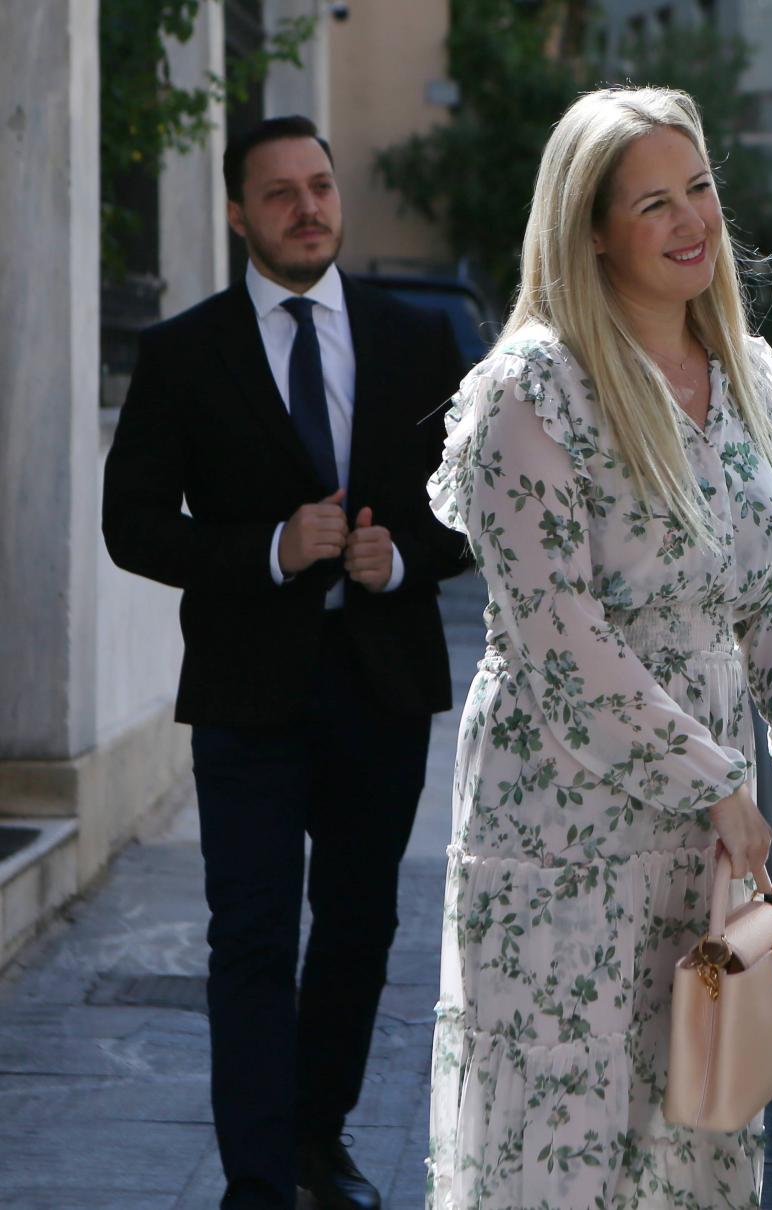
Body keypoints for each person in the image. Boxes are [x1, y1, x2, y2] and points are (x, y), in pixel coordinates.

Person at [425, 86, 772, 1209]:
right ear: (590, 232)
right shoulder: (529, 396)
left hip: (708, 847)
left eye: (700, 189)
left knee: (689, 1130)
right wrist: (722, 782)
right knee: (561, 1144)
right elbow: (557, 640)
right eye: (653, 203)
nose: (691, 223)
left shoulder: (740, 380)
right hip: (558, 831)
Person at [102, 115, 467, 1210]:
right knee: (252, 936)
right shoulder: (181, 353)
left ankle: (317, 1139)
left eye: (320, 187)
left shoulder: (415, 341)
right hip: (248, 694)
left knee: (360, 928)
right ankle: (258, 1180)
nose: (307, 208)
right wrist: (268, 548)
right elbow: (133, 527)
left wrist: (399, 559)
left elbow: (474, 510)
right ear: (235, 213)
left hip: (382, 688)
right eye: (279, 194)